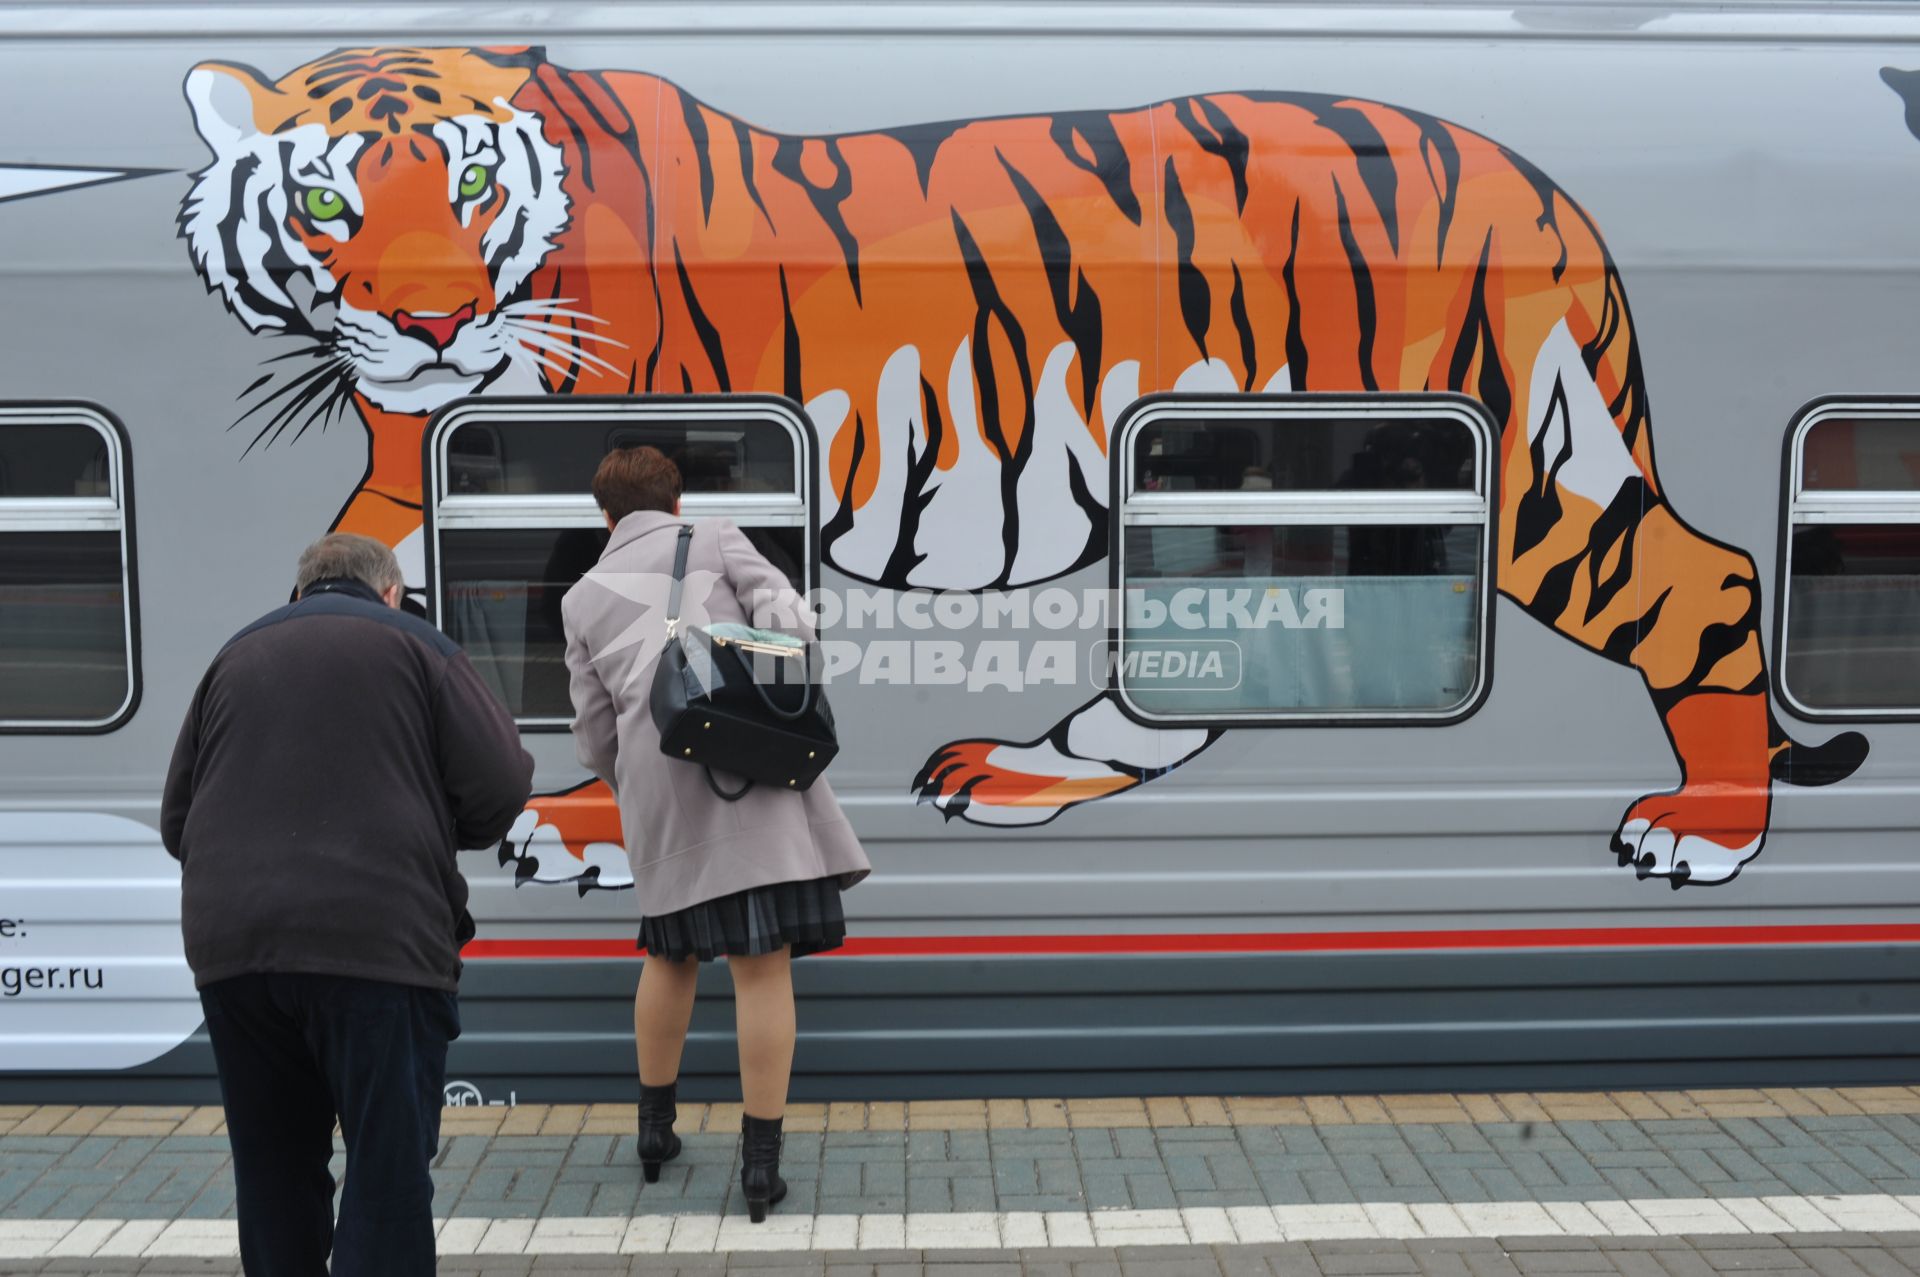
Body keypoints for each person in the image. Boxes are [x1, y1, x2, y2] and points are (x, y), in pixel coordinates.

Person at [160, 533, 534, 1276]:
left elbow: (178, 822)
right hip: (377, 945)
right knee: (386, 1171)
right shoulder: (422, 647)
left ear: (299, 592)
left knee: (273, 1172)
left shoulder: (236, 655)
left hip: (236, 951)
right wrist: (427, 826)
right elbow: (501, 787)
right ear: (390, 590)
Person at [561, 446, 870, 1223]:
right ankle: (760, 1168)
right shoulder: (716, 536)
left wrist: (641, 774)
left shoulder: (581, 597)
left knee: (668, 955)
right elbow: (794, 628)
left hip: (659, 791)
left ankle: (654, 1132)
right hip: (747, 768)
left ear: (605, 515)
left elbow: (595, 737)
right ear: (675, 499)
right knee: (760, 969)